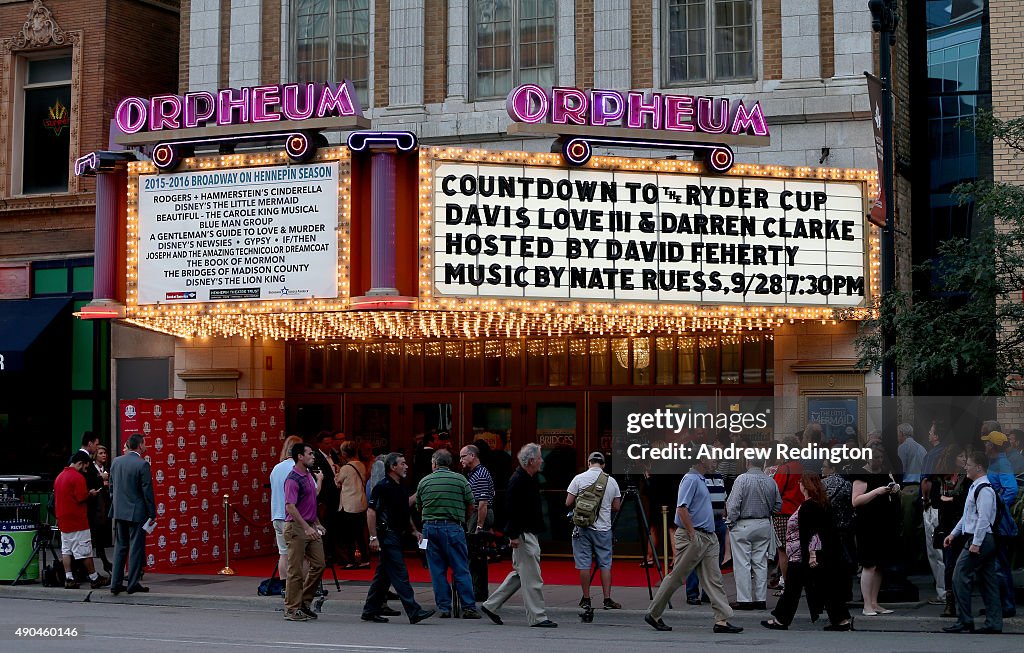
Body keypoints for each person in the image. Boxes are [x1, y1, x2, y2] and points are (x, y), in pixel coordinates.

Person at [643, 454, 743, 634]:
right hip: (695, 535)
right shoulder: (690, 479)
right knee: (677, 577)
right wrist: (692, 534)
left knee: (714, 579)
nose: (716, 460)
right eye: (712, 457)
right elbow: (681, 508)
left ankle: (722, 620)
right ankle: (654, 613)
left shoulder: (699, 478)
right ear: (701, 460)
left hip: (707, 535)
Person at [761, 474, 852, 631]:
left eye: (801, 483)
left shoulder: (809, 507)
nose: (799, 485)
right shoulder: (821, 504)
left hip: (804, 555)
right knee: (825, 586)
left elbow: (811, 533)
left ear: (806, 486)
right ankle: (840, 619)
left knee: (793, 588)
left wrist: (811, 555)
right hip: (814, 554)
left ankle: (782, 620)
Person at [480, 443, 557, 628]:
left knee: (521, 574)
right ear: (531, 461)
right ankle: (537, 617)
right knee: (532, 577)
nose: (542, 461)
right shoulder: (520, 480)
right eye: (539, 457)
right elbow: (512, 510)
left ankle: (491, 605)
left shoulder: (525, 478)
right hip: (524, 533)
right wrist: (513, 534)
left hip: (525, 532)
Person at [362, 452, 436, 625]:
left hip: (397, 534)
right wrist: (373, 537)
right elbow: (371, 512)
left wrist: (413, 530)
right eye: (402, 464)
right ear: (392, 467)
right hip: (387, 535)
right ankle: (414, 611)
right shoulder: (382, 486)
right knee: (400, 573)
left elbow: (404, 510)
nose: (406, 466)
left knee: (383, 576)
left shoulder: (400, 486)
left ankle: (369, 610)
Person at [942, 451, 1003, 634]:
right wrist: (953, 534)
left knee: (959, 577)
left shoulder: (983, 489)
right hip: (984, 538)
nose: (965, 466)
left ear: (978, 467)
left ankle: (965, 620)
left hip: (980, 539)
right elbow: (968, 516)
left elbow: (983, 519)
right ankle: (993, 623)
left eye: (968, 464)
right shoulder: (976, 487)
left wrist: (976, 543)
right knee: (988, 580)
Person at [416, 448, 481, 619]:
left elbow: (419, 507)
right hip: (453, 527)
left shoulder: (424, 481)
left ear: (435, 463)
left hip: (429, 528)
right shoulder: (460, 480)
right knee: (461, 568)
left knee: (437, 570)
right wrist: (463, 521)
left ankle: (444, 607)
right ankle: (468, 607)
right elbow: (470, 504)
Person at [566, 451, 622, 611]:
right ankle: (607, 599)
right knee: (605, 563)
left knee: (584, 564)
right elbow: (617, 507)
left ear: (589, 462)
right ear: (603, 464)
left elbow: (568, 502)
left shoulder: (578, 478)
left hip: (582, 527)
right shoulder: (611, 481)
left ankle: (586, 599)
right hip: (604, 528)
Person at [850, 442, 900, 616]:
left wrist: (894, 489)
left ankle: (874, 602)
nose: (878, 461)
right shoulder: (861, 475)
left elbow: (892, 486)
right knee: (869, 564)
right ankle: (866, 605)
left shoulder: (885, 472)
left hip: (883, 523)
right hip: (867, 524)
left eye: (880, 458)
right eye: (875, 458)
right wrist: (877, 492)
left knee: (879, 565)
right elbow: (855, 501)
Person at [726, 455, 781, 610]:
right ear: (763, 462)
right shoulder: (771, 480)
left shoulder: (742, 479)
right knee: (761, 562)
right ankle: (760, 599)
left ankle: (744, 599)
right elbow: (778, 505)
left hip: (743, 523)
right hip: (764, 522)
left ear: (747, 463)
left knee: (742, 563)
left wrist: (731, 521)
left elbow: (733, 505)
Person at [282, 442, 327, 622]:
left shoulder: (308, 474)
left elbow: (311, 500)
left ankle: (304, 602)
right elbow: (290, 506)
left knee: (319, 564)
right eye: (309, 453)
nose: (313, 456)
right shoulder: (292, 478)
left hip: (309, 524)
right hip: (296, 526)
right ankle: (292, 609)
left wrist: (316, 522)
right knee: (296, 570)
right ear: (300, 456)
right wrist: (307, 527)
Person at [54, 451, 110, 589]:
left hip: (63, 520)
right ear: (80, 463)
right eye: (85, 466)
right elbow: (81, 497)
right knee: (85, 550)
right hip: (77, 520)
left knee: (66, 551)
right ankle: (94, 577)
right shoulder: (77, 477)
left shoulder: (59, 476)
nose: (86, 470)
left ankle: (69, 578)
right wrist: (90, 494)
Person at [109, 433, 156, 595]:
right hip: (137, 512)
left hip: (119, 511)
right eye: (145, 443)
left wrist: (116, 504)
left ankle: (115, 583)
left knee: (120, 547)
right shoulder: (142, 464)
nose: (146, 446)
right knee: (135, 548)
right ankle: (133, 583)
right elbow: (147, 491)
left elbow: (111, 487)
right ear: (140, 445)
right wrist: (152, 512)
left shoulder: (116, 462)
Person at [980, 429, 1017, 618]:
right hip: (997, 523)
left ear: (992, 446)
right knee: (995, 566)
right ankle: (999, 604)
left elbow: (1011, 489)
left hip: (999, 525)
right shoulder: (996, 463)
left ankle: (1006, 605)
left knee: (999, 566)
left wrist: (994, 506)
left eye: (987, 442)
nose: (984, 445)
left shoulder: (1001, 463)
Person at [271, 436, 314, 586]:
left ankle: (284, 586)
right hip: (294, 517)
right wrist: (320, 480)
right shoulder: (298, 469)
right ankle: (302, 585)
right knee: (302, 555)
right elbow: (313, 492)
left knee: (283, 553)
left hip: (277, 515)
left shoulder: (276, 468)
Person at [687, 454, 728, 605]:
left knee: (715, 559)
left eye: (717, 460)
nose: (715, 463)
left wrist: (725, 516)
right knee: (695, 558)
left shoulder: (718, 476)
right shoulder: (696, 478)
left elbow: (723, 498)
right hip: (702, 523)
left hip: (718, 522)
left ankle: (707, 593)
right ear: (703, 461)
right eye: (713, 460)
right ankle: (692, 593)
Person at [935, 444, 970, 618]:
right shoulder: (942, 477)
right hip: (946, 525)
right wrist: (947, 499)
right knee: (949, 564)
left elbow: (965, 502)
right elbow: (935, 499)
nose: (964, 459)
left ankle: (964, 601)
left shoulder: (967, 478)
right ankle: (950, 602)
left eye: (965, 456)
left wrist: (948, 499)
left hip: (964, 525)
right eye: (961, 456)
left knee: (963, 565)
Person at [919, 420, 949, 606]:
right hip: (947, 504)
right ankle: (949, 590)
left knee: (935, 551)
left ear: (937, 436)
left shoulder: (932, 455)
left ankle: (943, 592)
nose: (929, 434)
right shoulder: (951, 452)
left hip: (933, 505)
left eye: (931, 432)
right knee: (945, 548)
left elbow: (926, 482)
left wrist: (924, 501)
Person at [770, 437, 804, 591]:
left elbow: (775, 491)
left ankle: (788, 586)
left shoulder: (785, 468)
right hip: (800, 511)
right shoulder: (801, 467)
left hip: (784, 514)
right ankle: (798, 583)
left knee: (783, 551)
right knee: (797, 551)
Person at [820, 458, 855, 602]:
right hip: (845, 528)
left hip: (828, 529)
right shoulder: (847, 485)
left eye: (824, 466)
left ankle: (830, 594)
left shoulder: (823, 484)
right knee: (846, 563)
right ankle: (846, 593)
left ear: (833, 469)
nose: (822, 469)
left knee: (829, 564)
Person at [896, 422, 927, 571]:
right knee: (919, 525)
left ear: (901, 433)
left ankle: (909, 558)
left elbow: (901, 468)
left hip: (908, 488)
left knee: (907, 524)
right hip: (920, 486)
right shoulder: (922, 448)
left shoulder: (903, 447)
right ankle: (921, 556)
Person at [336, 440, 370, 569]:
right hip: (361, 502)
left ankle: (350, 560)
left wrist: (337, 472)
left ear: (344, 453)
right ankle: (365, 559)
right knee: (360, 533)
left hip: (349, 504)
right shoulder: (361, 465)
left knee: (349, 534)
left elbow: (338, 482)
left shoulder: (346, 468)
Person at [311, 431, 342, 564]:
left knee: (335, 526)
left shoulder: (334, 455)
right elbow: (318, 478)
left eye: (330, 443)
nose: (329, 446)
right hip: (324, 498)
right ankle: (326, 554)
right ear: (319, 444)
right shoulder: (316, 457)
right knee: (324, 526)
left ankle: (335, 553)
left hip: (336, 497)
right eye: (326, 443)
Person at [460, 445, 495, 532]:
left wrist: (479, 526)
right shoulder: (475, 473)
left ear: (472, 455)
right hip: (476, 514)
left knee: (474, 543)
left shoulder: (481, 475)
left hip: (478, 515)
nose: (461, 460)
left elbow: (483, 504)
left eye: (462, 457)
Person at [91, 443, 113, 573]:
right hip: (95, 505)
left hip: (105, 503)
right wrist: (100, 479)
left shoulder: (107, 468)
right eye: (100, 453)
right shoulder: (92, 470)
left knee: (101, 533)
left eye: (105, 453)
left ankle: (103, 558)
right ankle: (103, 560)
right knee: (96, 533)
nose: (104, 455)